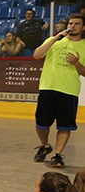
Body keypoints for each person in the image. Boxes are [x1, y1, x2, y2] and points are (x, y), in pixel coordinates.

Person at [32, 12, 85, 169]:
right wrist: (56, 38)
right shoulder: (54, 40)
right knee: (41, 124)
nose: (72, 26)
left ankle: (57, 154)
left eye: (76, 24)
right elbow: (37, 55)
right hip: (48, 87)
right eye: (70, 23)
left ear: (83, 28)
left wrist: (76, 63)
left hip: (68, 90)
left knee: (64, 126)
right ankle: (45, 145)